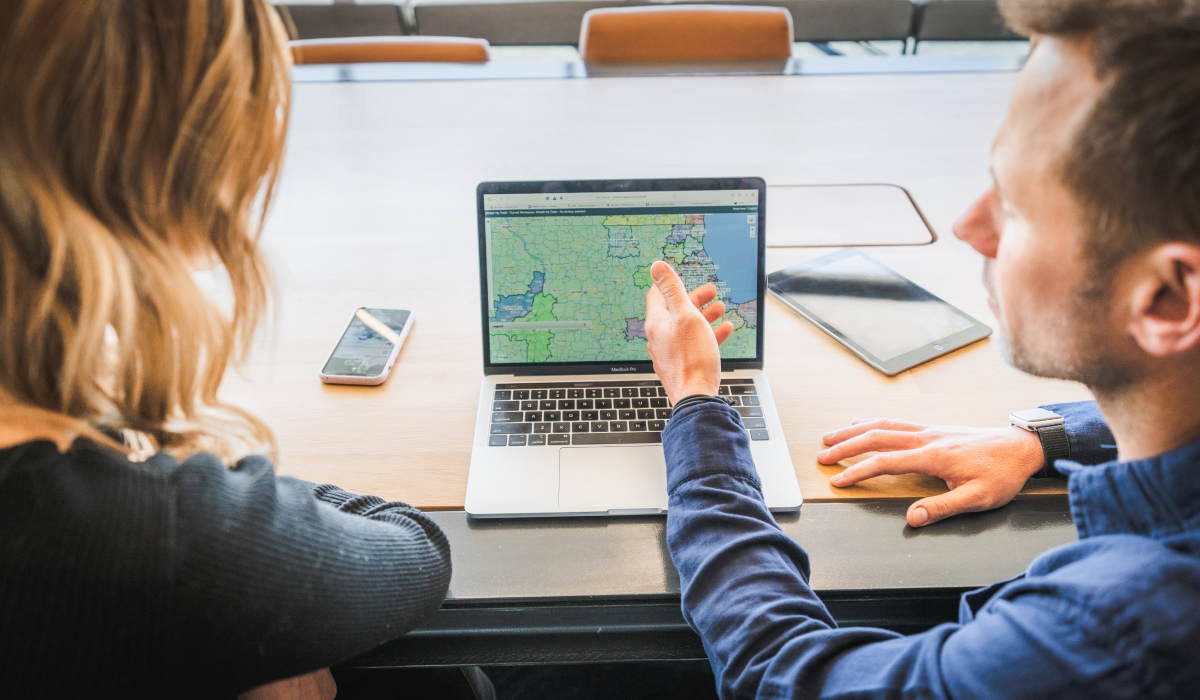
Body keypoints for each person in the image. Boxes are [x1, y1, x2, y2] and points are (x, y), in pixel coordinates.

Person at [642, 0, 1200, 697]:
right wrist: (1047, 438)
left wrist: (696, 400)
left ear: (1169, 299)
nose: (968, 225)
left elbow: (781, 674)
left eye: (1016, 203)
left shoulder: (1115, 631)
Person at [0, 2, 490, 698]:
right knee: (448, 683)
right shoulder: (161, 536)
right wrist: (206, 476)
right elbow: (416, 549)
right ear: (178, 159)